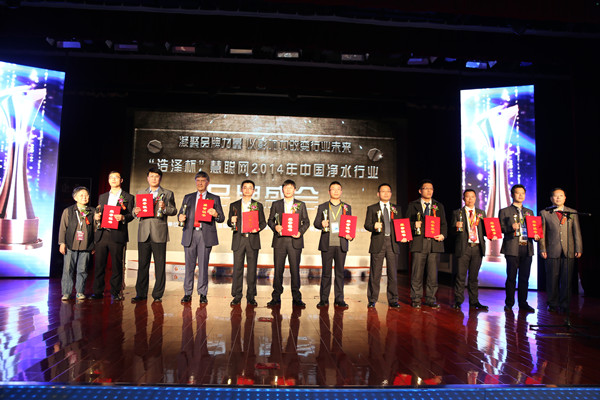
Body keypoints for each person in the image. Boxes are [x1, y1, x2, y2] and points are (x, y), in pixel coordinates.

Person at [178, 171, 225, 304]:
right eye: (198, 180)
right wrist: (180, 217)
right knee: (189, 266)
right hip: (190, 234)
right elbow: (181, 214)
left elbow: (221, 218)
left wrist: (216, 214)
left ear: (207, 182)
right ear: (195, 182)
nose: (200, 183)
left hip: (205, 235)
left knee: (203, 266)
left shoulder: (214, 198)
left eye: (203, 181)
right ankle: (187, 293)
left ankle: (202, 293)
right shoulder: (188, 197)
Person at [131, 167, 177, 303]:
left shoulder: (167, 193)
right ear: (147, 178)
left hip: (159, 232)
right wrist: (135, 212)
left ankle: (157, 294)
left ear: (160, 178)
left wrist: (164, 208)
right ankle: (141, 293)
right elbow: (134, 211)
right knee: (142, 265)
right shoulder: (141, 193)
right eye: (151, 176)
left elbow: (173, 210)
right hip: (144, 232)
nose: (154, 179)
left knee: (160, 265)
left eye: (156, 176)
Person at [266, 179, 310, 308]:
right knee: (278, 270)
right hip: (279, 241)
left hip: (295, 241)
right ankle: (276, 297)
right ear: (282, 190)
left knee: (295, 270)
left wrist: (300, 232)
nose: (288, 190)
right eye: (286, 187)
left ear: (295, 190)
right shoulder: (276, 204)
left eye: (291, 187)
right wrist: (275, 227)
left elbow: (306, 222)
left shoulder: (301, 205)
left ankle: (297, 298)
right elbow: (270, 220)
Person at [92, 171, 134, 301]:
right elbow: (99, 211)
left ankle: (116, 292)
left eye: (116, 177)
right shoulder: (103, 196)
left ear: (121, 180)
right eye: (111, 177)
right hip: (102, 233)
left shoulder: (128, 197)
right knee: (99, 265)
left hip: (117, 233)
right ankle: (98, 292)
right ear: (108, 180)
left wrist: (123, 217)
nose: (113, 179)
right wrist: (96, 216)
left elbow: (131, 215)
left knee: (117, 265)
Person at [539, 188, 583, 313]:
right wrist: (542, 248)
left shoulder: (572, 212)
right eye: (555, 196)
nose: (558, 198)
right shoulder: (545, 213)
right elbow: (542, 233)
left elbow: (577, 232)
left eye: (561, 196)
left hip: (569, 250)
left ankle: (565, 305)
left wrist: (578, 248)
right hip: (551, 250)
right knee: (552, 279)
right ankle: (552, 304)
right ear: (551, 198)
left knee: (567, 280)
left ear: (565, 198)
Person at [406, 179, 447, 309]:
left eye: (431, 189)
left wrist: (443, 235)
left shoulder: (438, 205)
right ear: (420, 191)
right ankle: (416, 298)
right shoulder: (413, 205)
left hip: (434, 243)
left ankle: (431, 299)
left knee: (432, 274)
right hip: (419, 242)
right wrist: (414, 224)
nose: (429, 191)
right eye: (426, 188)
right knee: (417, 273)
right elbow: (405, 223)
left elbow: (444, 224)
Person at [499, 184, 540, 313]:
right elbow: (500, 229)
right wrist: (511, 228)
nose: (520, 195)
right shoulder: (505, 211)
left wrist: (536, 235)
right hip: (512, 248)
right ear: (512, 195)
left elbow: (533, 229)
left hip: (526, 247)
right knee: (511, 277)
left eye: (523, 193)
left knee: (524, 278)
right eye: (518, 193)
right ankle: (509, 303)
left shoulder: (529, 212)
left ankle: (523, 303)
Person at [226, 180, 267, 307]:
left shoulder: (258, 205)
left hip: (252, 239)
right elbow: (229, 222)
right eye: (245, 187)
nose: (247, 190)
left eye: (250, 188)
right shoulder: (234, 205)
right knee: (237, 269)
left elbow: (263, 222)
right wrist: (231, 221)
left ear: (254, 190)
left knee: (252, 270)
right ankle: (237, 296)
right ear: (241, 189)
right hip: (239, 239)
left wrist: (258, 228)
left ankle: (251, 296)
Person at [364, 183, 404, 309]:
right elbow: (367, 225)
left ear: (391, 194)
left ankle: (393, 299)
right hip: (378, 242)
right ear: (378, 194)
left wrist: (403, 235)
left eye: (388, 191)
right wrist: (373, 226)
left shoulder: (396, 209)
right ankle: (372, 299)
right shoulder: (372, 208)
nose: (386, 193)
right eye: (383, 191)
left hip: (392, 243)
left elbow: (401, 225)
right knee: (375, 273)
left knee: (392, 274)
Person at [314, 181, 353, 309]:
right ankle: (323, 299)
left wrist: (350, 235)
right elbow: (316, 223)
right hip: (327, 244)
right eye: (333, 189)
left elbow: (350, 225)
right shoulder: (323, 206)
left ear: (341, 191)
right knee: (326, 273)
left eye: (338, 189)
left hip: (341, 244)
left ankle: (339, 299)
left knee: (340, 273)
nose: (336, 191)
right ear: (329, 191)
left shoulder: (347, 207)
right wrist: (321, 224)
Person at [451, 189, 490, 311]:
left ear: (475, 198)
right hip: (464, 247)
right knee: (460, 276)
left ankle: (474, 301)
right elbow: (451, 232)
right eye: (467, 197)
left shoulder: (481, 213)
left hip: (477, 248)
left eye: (472, 197)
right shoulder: (457, 213)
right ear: (464, 198)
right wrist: (456, 227)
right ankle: (458, 301)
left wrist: (492, 234)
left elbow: (485, 230)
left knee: (474, 277)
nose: (470, 199)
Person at [58, 186, 95, 301]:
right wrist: (62, 243)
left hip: (86, 245)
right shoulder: (68, 211)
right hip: (70, 244)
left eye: (86, 195)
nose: (84, 197)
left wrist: (94, 245)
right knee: (68, 269)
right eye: (81, 195)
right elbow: (63, 228)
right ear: (75, 198)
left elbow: (95, 229)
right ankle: (66, 292)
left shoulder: (92, 211)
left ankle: (80, 292)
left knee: (82, 270)